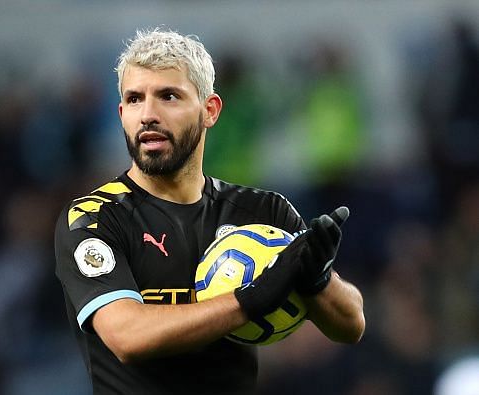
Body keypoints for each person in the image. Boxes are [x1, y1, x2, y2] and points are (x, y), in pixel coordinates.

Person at [54, 28, 365, 395]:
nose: (148, 115)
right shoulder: (95, 218)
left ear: (209, 110)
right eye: (135, 99)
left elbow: (351, 324)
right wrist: (247, 302)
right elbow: (127, 336)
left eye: (168, 96)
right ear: (122, 114)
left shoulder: (263, 212)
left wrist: (319, 281)